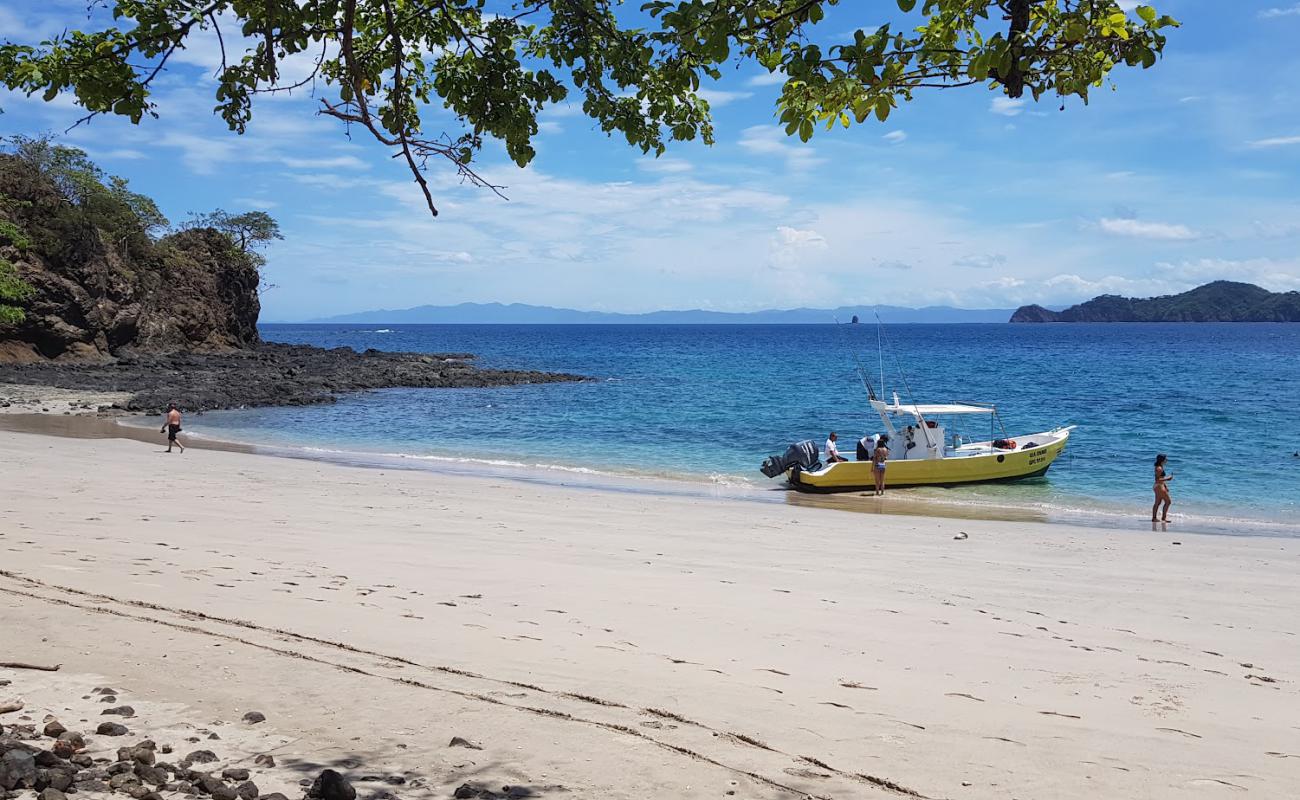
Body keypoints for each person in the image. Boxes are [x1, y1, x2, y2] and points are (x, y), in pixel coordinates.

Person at [1151, 453, 1172, 522]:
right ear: (1162, 460)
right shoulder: (1159, 468)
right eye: (1166, 459)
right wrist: (1168, 478)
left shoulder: (1160, 467)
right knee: (1168, 501)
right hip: (1159, 486)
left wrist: (1165, 486)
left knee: (1158, 502)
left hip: (1159, 486)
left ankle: (1154, 518)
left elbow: (1160, 478)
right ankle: (1163, 518)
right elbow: (1157, 479)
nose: (1167, 460)